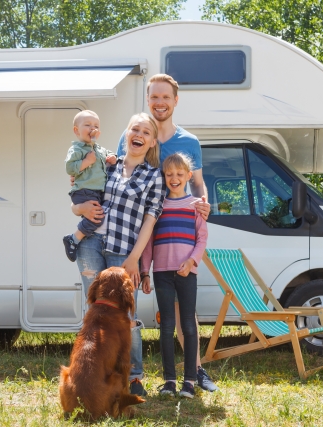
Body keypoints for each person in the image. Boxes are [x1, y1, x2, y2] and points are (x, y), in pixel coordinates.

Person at [117, 74, 218, 392]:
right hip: (135, 233)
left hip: (174, 233)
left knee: (183, 313)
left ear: (175, 100)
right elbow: (120, 171)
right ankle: (130, 377)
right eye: (154, 97)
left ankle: (195, 371)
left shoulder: (189, 142)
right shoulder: (135, 134)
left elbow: (198, 183)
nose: (159, 102)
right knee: (126, 306)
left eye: (165, 97)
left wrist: (204, 204)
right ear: (148, 100)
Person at [73, 112, 165, 397]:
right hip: (90, 243)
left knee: (126, 315)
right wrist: (79, 209)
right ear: (127, 134)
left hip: (124, 250)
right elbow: (78, 193)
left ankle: (133, 377)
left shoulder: (154, 176)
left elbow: (150, 219)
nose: (139, 135)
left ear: (152, 142)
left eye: (146, 132)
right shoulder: (107, 164)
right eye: (135, 129)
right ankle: (96, 372)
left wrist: (135, 258)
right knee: (95, 311)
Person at [140, 153, 208, 398]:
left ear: (188, 176)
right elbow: (148, 242)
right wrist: (144, 272)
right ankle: (169, 380)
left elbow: (202, 238)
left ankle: (189, 381)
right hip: (162, 273)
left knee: (188, 325)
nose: (174, 178)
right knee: (166, 325)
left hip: (187, 272)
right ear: (164, 176)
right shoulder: (157, 207)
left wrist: (191, 262)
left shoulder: (196, 205)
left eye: (179, 174)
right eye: (169, 174)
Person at [62, 110, 117, 262]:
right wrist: (86, 162)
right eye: (87, 125)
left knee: (96, 216)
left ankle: (79, 238)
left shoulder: (99, 149)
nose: (93, 128)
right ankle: (73, 239)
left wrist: (112, 158)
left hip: (95, 192)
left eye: (96, 126)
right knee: (97, 218)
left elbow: (110, 155)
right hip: (83, 190)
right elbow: (69, 168)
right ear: (76, 130)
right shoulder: (77, 149)